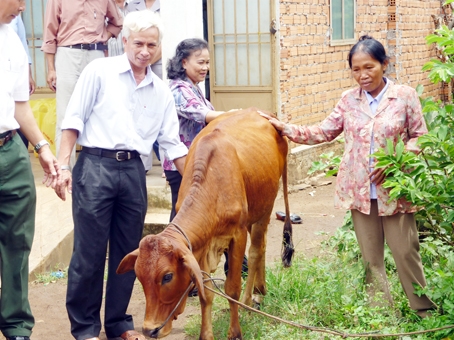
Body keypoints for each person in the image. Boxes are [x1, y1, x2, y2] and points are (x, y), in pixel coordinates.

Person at [261, 35, 436, 317]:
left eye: (369, 67)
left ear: (384, 64)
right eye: (356, 69)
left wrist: (398, 158)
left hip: (396, 190)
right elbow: (324, 131)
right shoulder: (349, 100)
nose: (362, 75)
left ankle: (424, 312)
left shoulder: (404, 96)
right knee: (371, 259)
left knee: (406, 253)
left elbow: (420, 138)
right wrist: (285, 128)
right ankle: (379, 315)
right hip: (360, 192)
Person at [54, 10, 187, 340]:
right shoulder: (99, 71)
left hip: (133, 172)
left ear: (158, 48)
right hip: (95, 167)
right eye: (138, 43)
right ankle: (85, 328)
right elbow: (73, 121)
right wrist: (62, 165)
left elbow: (173, 143)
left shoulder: (161, 90)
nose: (145, 50)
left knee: (131, 254)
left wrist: (196, 184)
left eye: (151, 45)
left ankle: (118, 324)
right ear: (124, 41)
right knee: (90, 253)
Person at [163, 38, 248, 284]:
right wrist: (237, 115)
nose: (205, 67)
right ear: (183, 62)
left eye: (208, 62)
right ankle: (176, 272)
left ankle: (201, 272)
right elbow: (203, 115)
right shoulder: (178, 89)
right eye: (200, 62)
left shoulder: (193, 86)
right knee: (181, 221)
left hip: (197, 166)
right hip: (183, 166)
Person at [0, 1, 60, 339]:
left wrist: (42, 147)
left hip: (11, 147)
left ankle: (16, 323)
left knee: (18, 240)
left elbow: (20, 104)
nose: (23, 6)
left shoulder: (12, 38)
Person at [42, 0, 123, 168]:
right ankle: (64, 169)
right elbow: (50, 33)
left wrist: (103, 37)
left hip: (96, 53)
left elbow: (117, 22)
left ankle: (96, 168)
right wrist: (51, 68)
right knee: (65, 115)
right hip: (67, 54)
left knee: (99, 112)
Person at [124, 0, 162, 172]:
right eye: (140, 44)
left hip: (157, 64)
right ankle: (142, 165)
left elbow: (156, 44)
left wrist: (143, 62)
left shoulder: (165, 5)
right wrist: (138, 63)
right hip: (134, 66)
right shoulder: (131, 5)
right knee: (136, 113)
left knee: (155, 114)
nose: (145, 48)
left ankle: (166, 165)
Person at [9, 15, 36, 148]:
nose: (22, 7)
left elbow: (23, 45)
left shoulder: (14, 16)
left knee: (19, 111)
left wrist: (28, 74)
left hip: (15, 73)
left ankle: (21, 150)